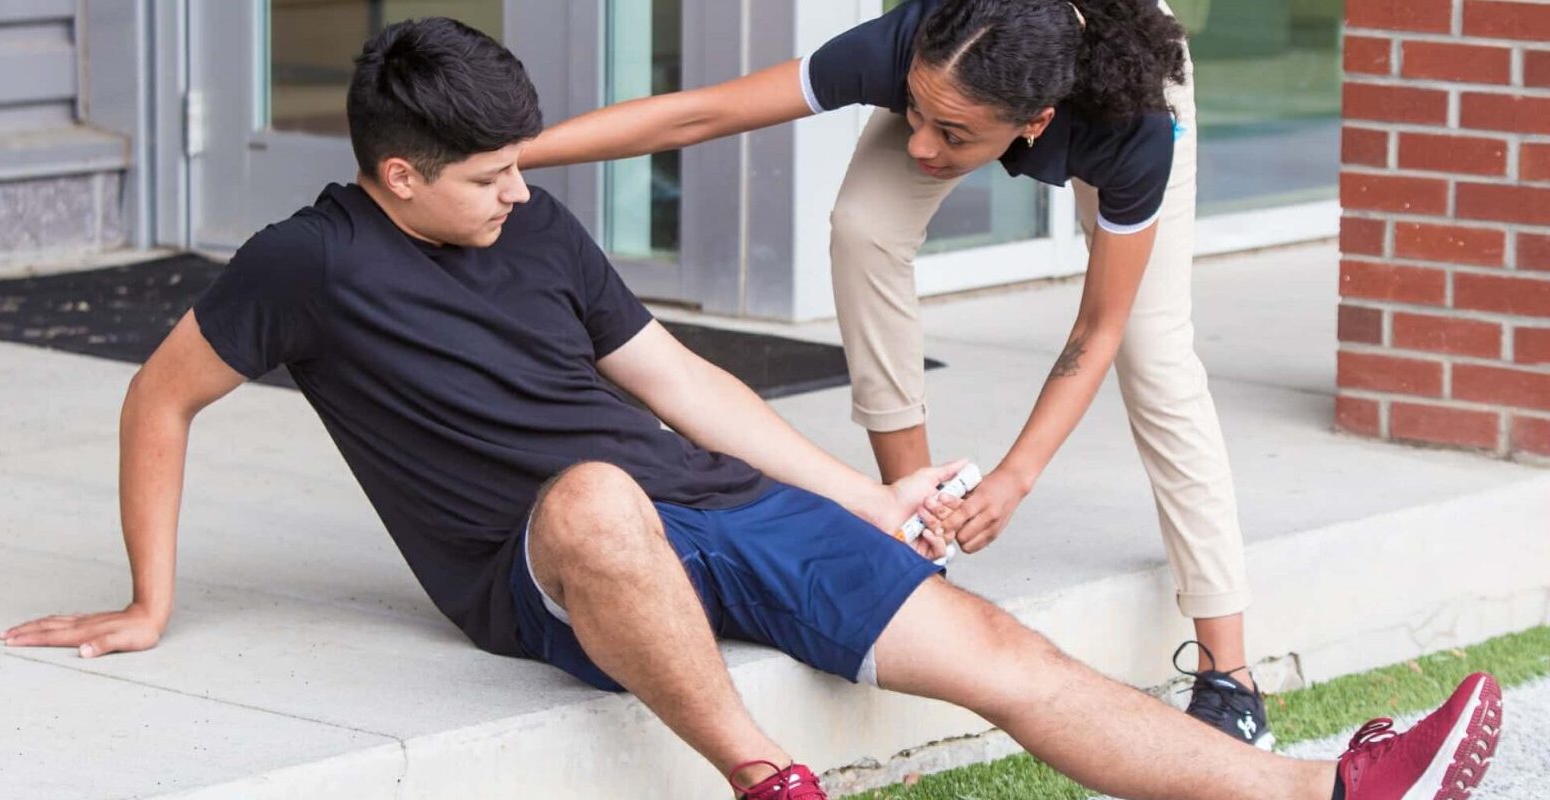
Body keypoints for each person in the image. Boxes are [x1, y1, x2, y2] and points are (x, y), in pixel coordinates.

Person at [0, 18, 1502, 800]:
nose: (524, 189)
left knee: (999, 651)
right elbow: (160, 399)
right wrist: (148, 600)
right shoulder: (304, 265)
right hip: (545, 563)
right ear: (398, 176)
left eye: (524, 162)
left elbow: (680, 381)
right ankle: (760, 779)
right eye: (489, 173)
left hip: (704, 513)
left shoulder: (534, 232)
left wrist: (863, 497)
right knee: (596, 492)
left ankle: (1331, 784)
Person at [520, 0, 1271, 745]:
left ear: (1035, 123)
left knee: (1150, 343)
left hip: (1111, 78)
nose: (918, 145)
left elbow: (1096, 326)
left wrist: (1014, 476)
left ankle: (1230, 678)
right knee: (866, 226)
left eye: (947, 133)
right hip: (976, 59)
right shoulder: (920, 44)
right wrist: (514, 155)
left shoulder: (1134, 128)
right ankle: (914, 529)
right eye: (911, 112)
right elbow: (702, 115)